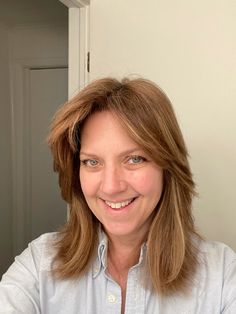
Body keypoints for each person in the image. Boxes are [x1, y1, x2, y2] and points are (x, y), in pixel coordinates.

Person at [0, 77, 235, 313]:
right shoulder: (38, 265)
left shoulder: (222, 275)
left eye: (135, 159)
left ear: (168, 167)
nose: (111, 186)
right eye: (92, 162)